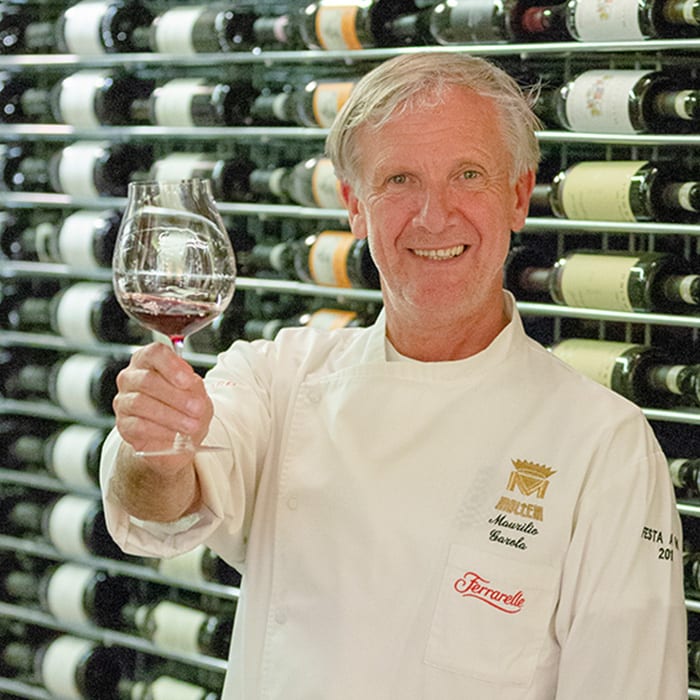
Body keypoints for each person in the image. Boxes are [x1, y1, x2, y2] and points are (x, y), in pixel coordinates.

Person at [100, 52, 687, 699]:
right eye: (400, 179)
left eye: (468, 175)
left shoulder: (606, 450)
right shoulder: (277, 379)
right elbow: (159, 509)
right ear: (354, 205)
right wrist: (156, 453)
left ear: (519, 196)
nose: (435, 216)